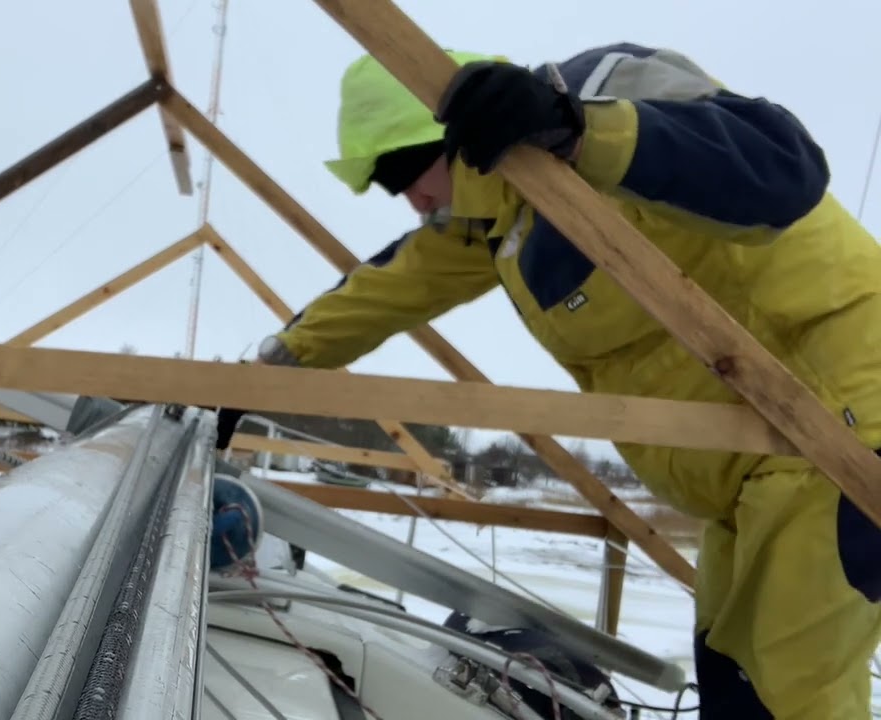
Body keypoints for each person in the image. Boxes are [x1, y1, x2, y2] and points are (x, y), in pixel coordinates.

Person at [215, 43, 881, 719]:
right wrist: (258, 381)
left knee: (792, 694)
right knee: (735, 679)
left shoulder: (598, 92)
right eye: (390, 184)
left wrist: (577, 131)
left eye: (406, 167)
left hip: (841, 430)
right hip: (751, 476)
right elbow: (376, 293)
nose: (411, 196)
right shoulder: (495, 223)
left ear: (453, 132)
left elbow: (782, 168)